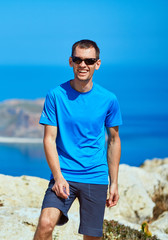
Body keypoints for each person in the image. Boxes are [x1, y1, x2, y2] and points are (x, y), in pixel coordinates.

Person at [33, 39, 122, 240]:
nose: (83, 65)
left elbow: (114, 140)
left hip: (95, 176)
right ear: (70, 62)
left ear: (97, 64)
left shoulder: (108, 99)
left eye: (89, 61)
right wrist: (58, 177)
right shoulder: (56, 95)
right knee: (46, 224)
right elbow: (49, 139)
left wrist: (114, 182)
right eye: (78, 59)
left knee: (91, 237)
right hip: (64, 174)